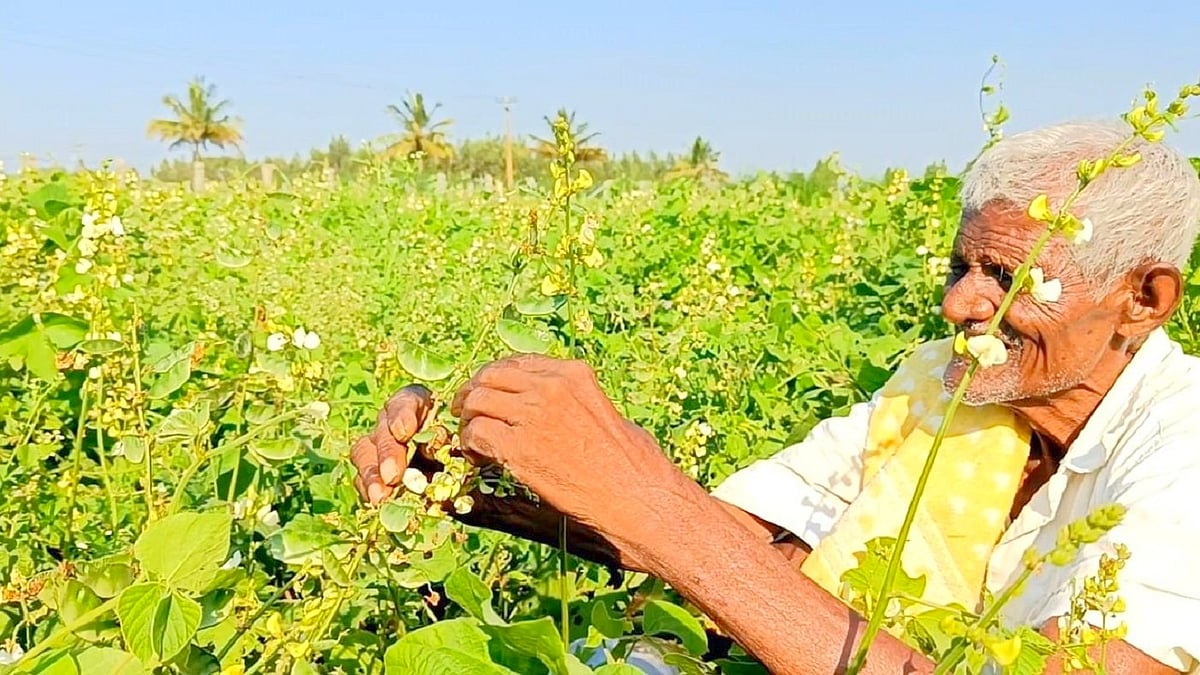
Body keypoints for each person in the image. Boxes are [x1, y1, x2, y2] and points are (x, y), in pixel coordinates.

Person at [349, 120, 1200, 674]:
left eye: (1016, 279)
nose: (962, 306)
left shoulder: (1184, 445)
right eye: (962, 267)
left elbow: (682, 534)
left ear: (1146, 298)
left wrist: (651, 499)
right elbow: (744, 544)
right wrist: (471, 481)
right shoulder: (940, 391)